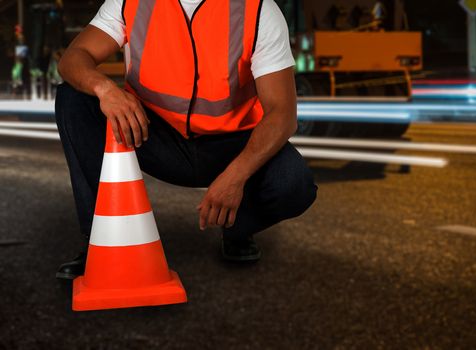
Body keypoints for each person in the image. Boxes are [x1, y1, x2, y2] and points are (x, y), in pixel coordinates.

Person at [54, 0, 318, 280]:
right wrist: (105, 89)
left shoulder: (258, 9)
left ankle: (237, 227)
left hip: (230, 146)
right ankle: (100, 242)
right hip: (153, 134)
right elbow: (74, 57)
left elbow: (283, 114)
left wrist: (235, 177)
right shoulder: (130, 2)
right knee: (74, 99)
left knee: (294, 185)